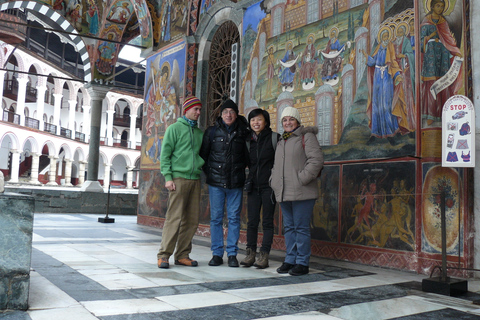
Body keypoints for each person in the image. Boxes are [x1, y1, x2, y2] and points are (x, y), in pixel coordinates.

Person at [270, 107, 323, 276]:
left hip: (302, 191)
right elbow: (277, 166)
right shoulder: (281, 141)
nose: (287, 123)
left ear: (297, 121)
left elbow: (316, 160)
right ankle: (290, 259)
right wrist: (273, 181)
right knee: (289, 228)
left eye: (291, 119)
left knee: (300, 228)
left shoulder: (306, 137)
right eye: (284, 120)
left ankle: (302, 262)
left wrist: (302, 179)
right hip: (284, 192)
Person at [200, 99, 249, 267]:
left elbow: (248, 158)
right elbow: (204, 156)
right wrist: (212, 174)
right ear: (221, 114)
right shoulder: (212, 132)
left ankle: (233, 254)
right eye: (225, 112)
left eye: (232, 112)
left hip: (236, 183)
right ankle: (217, 254)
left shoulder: (243, 132)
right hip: (216, 184)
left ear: (236, 114)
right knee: (216, 218)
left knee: (234, 218)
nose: (228, 115)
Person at [157, 97, 204, 269]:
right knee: (174, 218)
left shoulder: (199, 133)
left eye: (200, 110)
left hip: (195, 180)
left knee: (191, 221)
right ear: (187, 110)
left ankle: (183, 255)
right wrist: (168, 177)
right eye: (196, 109)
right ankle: (163, 255)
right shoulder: (174, 129)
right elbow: (165, 155)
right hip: (178, 179)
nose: (198, 113)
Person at [240, 109, 280, 269]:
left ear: (266, 121)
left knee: (268, 222)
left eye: (259, 120)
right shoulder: (248, 141)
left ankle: (264, 255)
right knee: (252, 222)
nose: (256, 123)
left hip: (268, 186)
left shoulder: (274, 138)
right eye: (252, 120)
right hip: (253, 186)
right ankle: (250, 253)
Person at [420, 0, 462, 126]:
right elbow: (421, 40)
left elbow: (448, 38)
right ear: (432, 6)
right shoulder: (425, 22)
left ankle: (445, 113)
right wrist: (429, 38)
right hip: (431, 55)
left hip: (443, 54)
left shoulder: (444, 22)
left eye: (442, 6)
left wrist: (456, 51)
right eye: (438, 6)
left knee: (444, 82)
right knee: (431, 83)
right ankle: (431, 114)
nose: (440, 8)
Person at [361, 26, 405, 144]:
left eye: (387, 36)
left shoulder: (389, 47)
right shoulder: (378, 48)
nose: (385, 38)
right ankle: (376, 133)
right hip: (377, 77)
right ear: (381, 38)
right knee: (376, 104)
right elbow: (373, 62)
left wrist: (397, 75)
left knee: (386, 104)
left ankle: (390, 132)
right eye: (383, 36)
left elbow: (393, 62)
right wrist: (366, 56)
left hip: (386, 76)